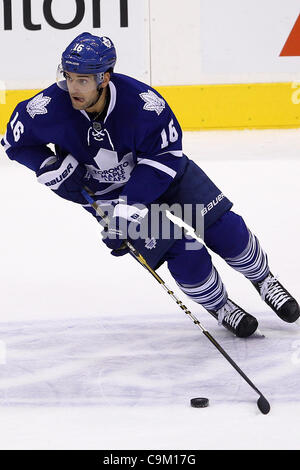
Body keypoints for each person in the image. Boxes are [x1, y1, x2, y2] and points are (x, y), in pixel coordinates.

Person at [1, 32, 299, 338]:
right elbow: (14, 141)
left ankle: (264, 280)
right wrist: (46, 165)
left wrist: (129, 205)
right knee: (185, 255)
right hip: (105, 196)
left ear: (104, 78)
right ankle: (221, 306)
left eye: (82, 81)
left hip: (164, 178)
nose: (72, 88)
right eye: (68, 77)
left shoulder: (144, 105)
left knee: (225, 229)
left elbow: (166, 157)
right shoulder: (47, 107)